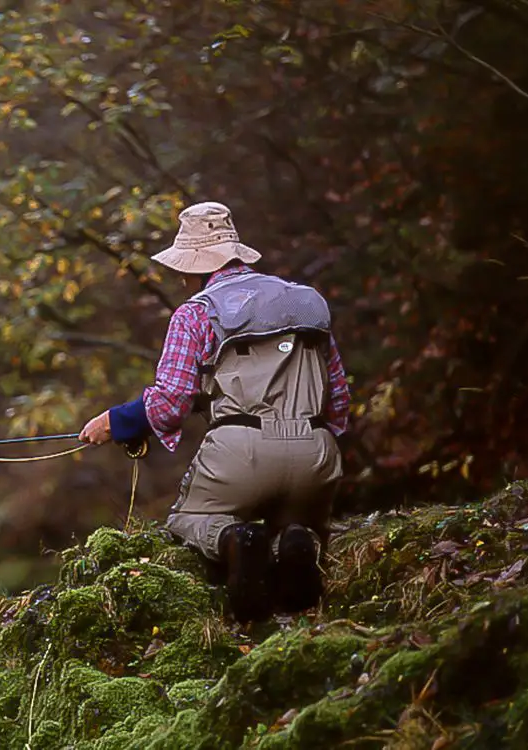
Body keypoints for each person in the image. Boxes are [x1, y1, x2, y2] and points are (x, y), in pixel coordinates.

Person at [78, 201, 350, 623]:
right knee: (300, 522)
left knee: (191, 519)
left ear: (194, 267)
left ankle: (236, 539)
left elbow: (171, 404)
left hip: (240, 453)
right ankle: (298, 542)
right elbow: (339, 400)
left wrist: (116, 422)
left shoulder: (196, 314)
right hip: (316, 448)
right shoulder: (308, 304)